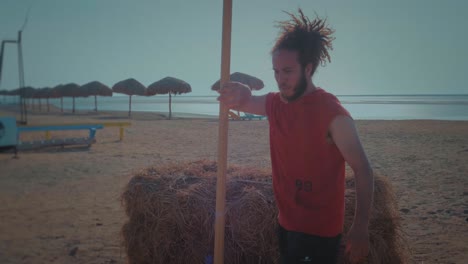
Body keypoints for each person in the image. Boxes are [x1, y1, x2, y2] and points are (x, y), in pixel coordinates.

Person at [217, 9, 374, 264]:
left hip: (320, 233)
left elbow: (363, 170)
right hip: (286, 224)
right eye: (276, 72)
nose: (280, 80)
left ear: (308, 69)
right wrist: (241, 94)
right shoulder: (276, 104)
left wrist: (360, 228)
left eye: (287, 71)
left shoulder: (332, 113)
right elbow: (247, 101)